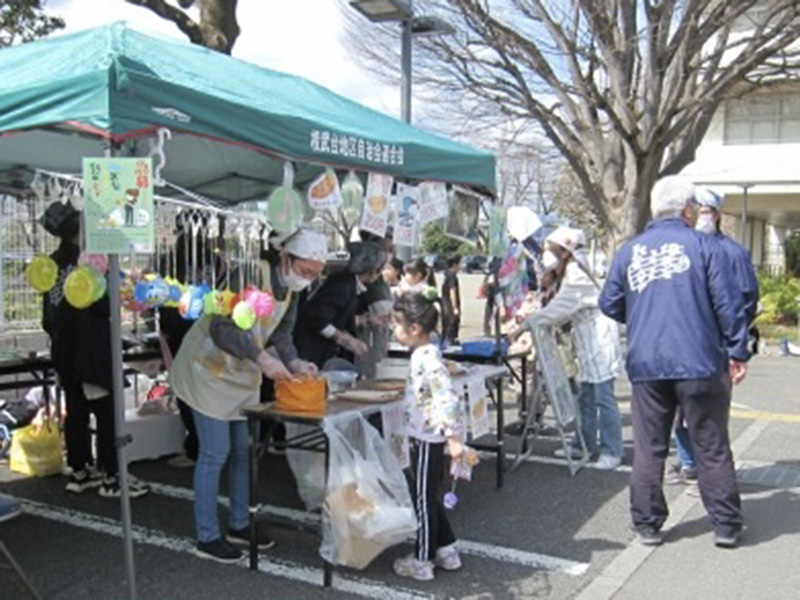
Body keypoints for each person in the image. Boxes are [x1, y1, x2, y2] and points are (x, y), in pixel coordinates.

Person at [599, 175, 750, 549]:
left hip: (647, 362)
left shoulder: (631, 251)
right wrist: (737, 351)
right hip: (700, 361)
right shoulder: (704, 247)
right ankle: (726, 525)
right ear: (687, 210)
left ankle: (647, 524)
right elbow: (729, 306)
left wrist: (642, 314)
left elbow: (609, 302)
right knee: (711, 443)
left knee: (649, 446)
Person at [169, 228, 326, 563]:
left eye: (314, 274)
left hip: (241, 377)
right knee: (215, 453)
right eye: (304, 271)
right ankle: (206, 535)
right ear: (286, 257)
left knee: (243, 452)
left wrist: (294, 361)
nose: (307, 279)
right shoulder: (254, 274)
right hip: (208, 369)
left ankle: (239, 525)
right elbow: (221, 327)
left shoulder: (292, 292)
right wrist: (263, 358)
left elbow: (281, 331)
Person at [41, 201, 150, 499]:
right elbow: (103, 306)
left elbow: (47, 316)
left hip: (64, 351)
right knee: (106, 412)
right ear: (81, 230)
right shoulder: (91, 263)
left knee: (75, 412)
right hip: (91, 351)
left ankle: (80, 471)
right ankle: (112, 476)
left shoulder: (51, 264)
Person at [667, 187, 760, 486]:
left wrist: (735, 344)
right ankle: (688, 462)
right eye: (697, 209)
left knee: (711, 414)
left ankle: (712, 472)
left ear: (717, 214)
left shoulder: (733, 252)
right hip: (680, 342)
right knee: (678, 410)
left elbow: (746, 299)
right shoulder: (681, 248)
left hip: (715, 345)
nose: (701, 215)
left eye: (707, 210)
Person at [516, 227, 623, 470]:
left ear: (565, 252)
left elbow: (560, 309)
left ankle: (612, 450)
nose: (546, 255)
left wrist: (528, 324)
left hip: (599, 338)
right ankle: (583, 444)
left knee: (603, 396)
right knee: (585, 394)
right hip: (586, 339)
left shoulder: (576, 274)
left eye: (550, 249)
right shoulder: (566, 271)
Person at [392, 290, 465, 582]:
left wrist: (453, 437)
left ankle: (422, 560)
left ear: (414, 329)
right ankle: (446, 549)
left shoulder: (427, 356)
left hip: (428, 437)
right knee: (427, 495)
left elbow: (445, 396)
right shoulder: (426, 354)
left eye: (397, 326)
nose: (394, 331)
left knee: (421, 498)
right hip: (425, 434)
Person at [293, 241, 384, 370]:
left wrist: (364, 320)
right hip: (309, 350)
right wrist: (344, 339)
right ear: (372, 271)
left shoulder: (348, 283)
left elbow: (337, 315)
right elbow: (317, 320)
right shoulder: (343, 286)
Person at [441, 255, 462, 346]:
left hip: (445, 302)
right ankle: (450, 341)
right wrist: (455, 307)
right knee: (452, 323)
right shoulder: (452, 276)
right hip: (449, 303)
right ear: (454, 264)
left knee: (446, 323)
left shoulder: (447, 274)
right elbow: (452, 291)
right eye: (459, 263)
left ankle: (447, 340)